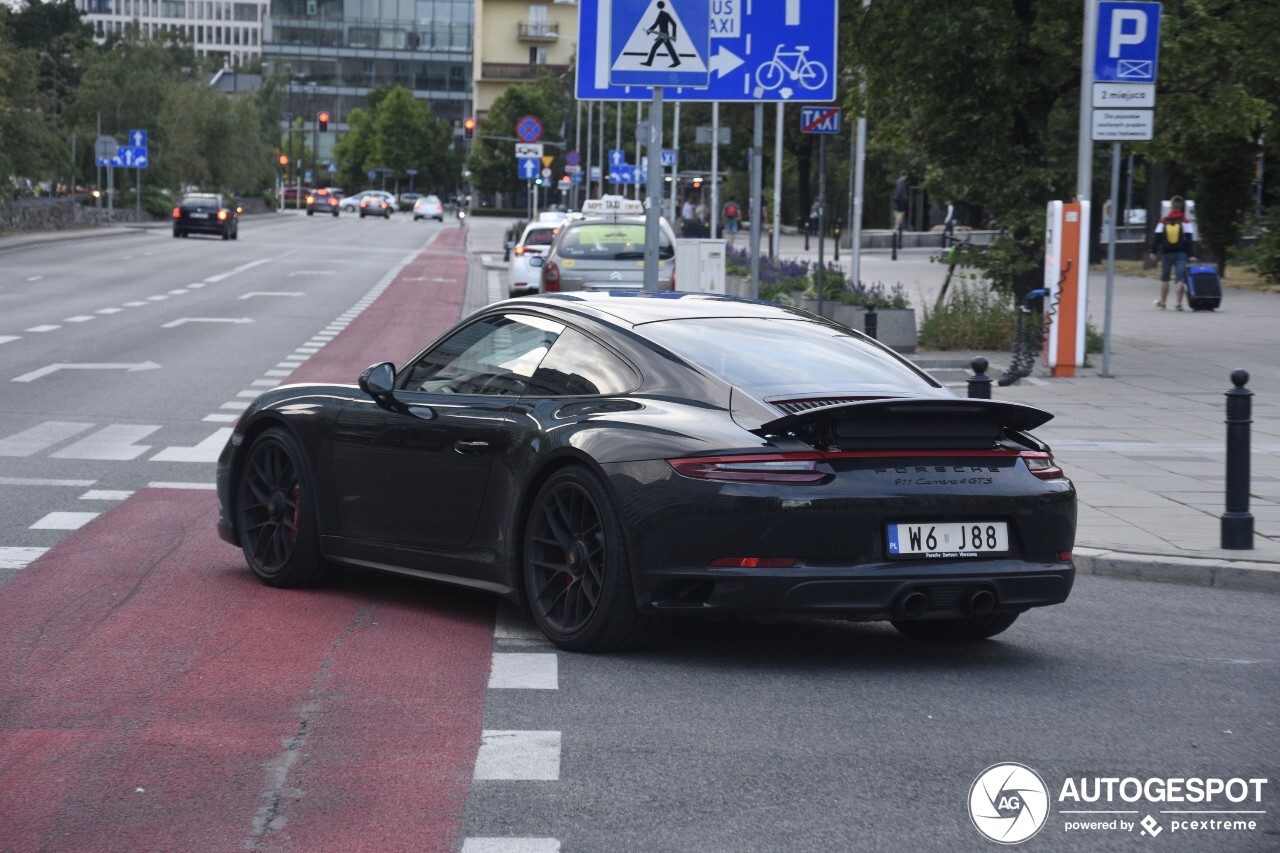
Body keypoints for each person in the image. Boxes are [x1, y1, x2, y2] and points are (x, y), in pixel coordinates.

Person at [1148, 196, 1196, 310]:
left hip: (1167, 253)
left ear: (1171, 206)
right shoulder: (1186, 221)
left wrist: (1153, 251)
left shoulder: (1163, 221)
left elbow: (1157, 237)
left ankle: (1163, 302)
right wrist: (1191, 255)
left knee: (1165, 278)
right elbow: (1189, 239)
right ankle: (1178, 304)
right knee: (1180, 279)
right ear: (1181, 207)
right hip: (1181, 253)